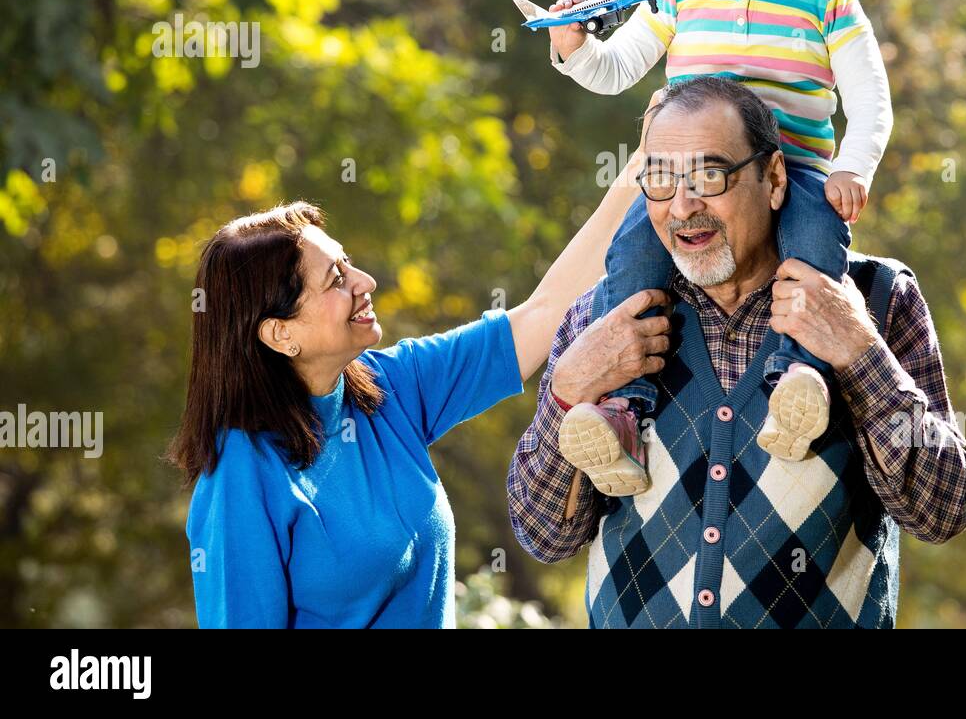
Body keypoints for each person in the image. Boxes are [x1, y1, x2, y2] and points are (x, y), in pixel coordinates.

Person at [167, 95, 667, 627]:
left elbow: (538, 318)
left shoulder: (389, 388)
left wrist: (642, 166)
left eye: (348, 263)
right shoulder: (242, 475)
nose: (365, 283)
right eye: (336, 280)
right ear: (280, 333)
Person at [507, 77, 966, 628]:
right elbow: (543, 535)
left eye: (710, 176)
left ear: (774, 178)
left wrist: (859, 349)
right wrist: (567, 392)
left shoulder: (875, 298)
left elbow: (942, 511)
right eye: (660, 180)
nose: (683, 207)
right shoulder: (604, 319)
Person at [535, 0, 893, 496]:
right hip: (683, 178)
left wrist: (854, 167)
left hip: (797, 172)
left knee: (818, 245)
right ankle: (623, 414)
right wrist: (574, 46)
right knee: (631, 254)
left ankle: (800, 381)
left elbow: (870, 102)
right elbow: (615, 71)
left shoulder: (828, 0)